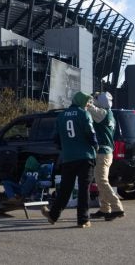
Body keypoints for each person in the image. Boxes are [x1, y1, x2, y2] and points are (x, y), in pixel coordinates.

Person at [41, 91, 98, 228]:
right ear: (81, 102)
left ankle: (53, 215)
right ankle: (83, 220)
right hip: (85, 157)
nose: (88, 105)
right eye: (88, 102)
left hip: (68, 157)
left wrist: (66, 147)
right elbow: (91, 134)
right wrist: (95, 146)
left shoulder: (61, 116)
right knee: (84, 189)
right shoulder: (84, 114)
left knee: (66, 188)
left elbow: (56, 138)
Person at [88, 92, 125, 221]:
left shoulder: (102, 113)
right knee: (102, 181)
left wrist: (87, 100)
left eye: (97, 98)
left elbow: (89, 107)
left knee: (101, 181)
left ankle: (117, 208)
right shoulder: (110, 115)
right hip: (107, 152)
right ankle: (105, 208)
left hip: (102, 152)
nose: (94, 99)